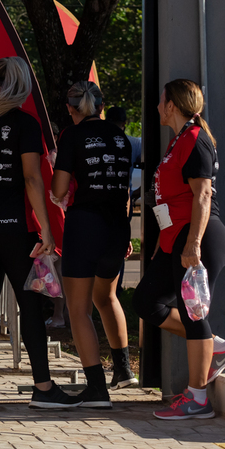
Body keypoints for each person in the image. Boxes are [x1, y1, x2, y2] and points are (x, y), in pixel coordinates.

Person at [0, 58, 81, 408]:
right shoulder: (26, 125)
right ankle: (43, 387)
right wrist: (46, 228)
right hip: (15, 227)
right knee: (29, 303)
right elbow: (32, 178)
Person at [135, 79, 225, 420]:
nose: (157, 107)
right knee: (145, 301)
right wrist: (161, 247)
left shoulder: (195, 139)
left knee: (194, 314)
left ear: (173, 106)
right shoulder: (178, 141)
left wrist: (193, 244)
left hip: (199, 237)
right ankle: (219, 346)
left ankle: (198, 400)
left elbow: (203, 195)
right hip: (175, 239)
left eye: (161, 100)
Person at [51, 80, 136, 408]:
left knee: (78, 309)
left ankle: (96, 387)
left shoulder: (71, 135)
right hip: (116, 227)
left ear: (72, 109)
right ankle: (124, 369)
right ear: (101, 107)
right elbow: (125, 191)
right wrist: (126, 232)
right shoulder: (121, 139)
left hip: (84, 226)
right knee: (107, 296)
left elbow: (59, 190)